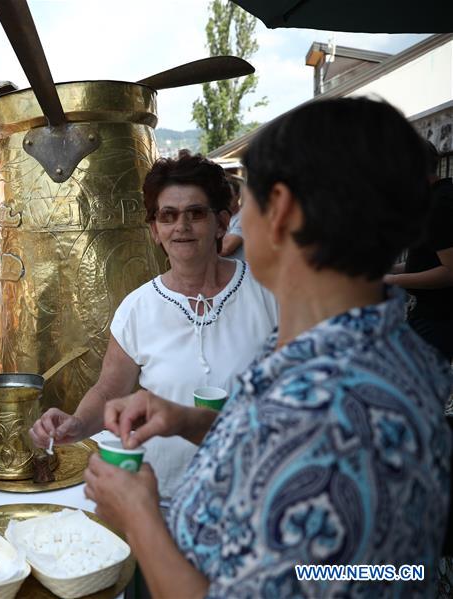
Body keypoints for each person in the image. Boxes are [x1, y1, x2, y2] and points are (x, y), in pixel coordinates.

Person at [84, 98, 451, 598]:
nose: (235, 221)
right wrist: (186, 419)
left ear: (278, 211)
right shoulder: (363, 349)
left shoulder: (326, 406)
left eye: (242, 202)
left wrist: (137, 514)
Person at [32, 154, 278, 501]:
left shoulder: (267, 293)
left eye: (195, 213)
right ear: (154, 231)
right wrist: (77, 423)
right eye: (168, 216)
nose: (181, 226)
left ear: (221, 223)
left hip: (255, 492)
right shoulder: (138, 308)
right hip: (165, 498)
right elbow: (108, 392)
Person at [385, 141, 453, 360]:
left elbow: (450, 272)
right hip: (432, 316)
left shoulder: (440, 205)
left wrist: (392, 281)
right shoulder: (440, 197)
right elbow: (433, 260)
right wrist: (390, 269)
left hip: (440, 319)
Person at [219, 175, 245, 261]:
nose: (226, 199)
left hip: (241, 272)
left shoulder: (244, 217)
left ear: (238, 196)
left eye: (229, 195)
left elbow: (225, 248)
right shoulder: (218, 217)